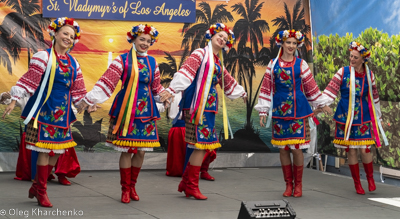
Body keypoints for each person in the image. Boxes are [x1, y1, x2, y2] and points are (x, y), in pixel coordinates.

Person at [2, 17, 89, 207]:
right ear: (55, 34)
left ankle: (35, 185)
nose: (68, 38)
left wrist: (87, 103)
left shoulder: (74, 63)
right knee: (44, 151)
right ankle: (41, 191)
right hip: (44, 110)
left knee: (57, 152)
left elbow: (79, 90)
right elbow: (29, 80)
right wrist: (14, 99)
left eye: (72, 36)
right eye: (65, 33)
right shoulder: (44, 56)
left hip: (63, 113)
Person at [79, 24, 169, 203]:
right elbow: (107, 83)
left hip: (146, 111)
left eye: (148, 41)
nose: (145, 43)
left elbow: (156, 87)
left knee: (141, 152)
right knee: (127, 150)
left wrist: (165, 95)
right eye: (141, 39)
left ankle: (133, 186)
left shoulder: (152, 63)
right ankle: (125, 189)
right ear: (133, 39)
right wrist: (89, 100)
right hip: (126, 110)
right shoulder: (122, 60)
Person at [161, 23, 247, 200]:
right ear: (212, 35)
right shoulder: (199, 54)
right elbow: (185, 73)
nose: (222, 39)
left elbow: (228, 81)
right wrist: (171, 90)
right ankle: (191, 185)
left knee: (199, 145)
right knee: (201, 144)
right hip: (196, 106)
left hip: (208, 108)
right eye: (220, 36)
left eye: (225, 39)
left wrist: (241, 92)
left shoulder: (217, 62)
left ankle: (187, 182)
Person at [255, 30, 332, 198]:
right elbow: (266, 88)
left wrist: (322, 104)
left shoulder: (301, 64)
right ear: (281, 43)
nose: (291, 46)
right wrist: (263, 110)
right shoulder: (272, 64)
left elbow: (311, 86)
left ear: (298, 45)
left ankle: (298, 185)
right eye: (288, 42)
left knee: (297, 149)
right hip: (279, 112)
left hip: (299, 110)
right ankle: (288, 185)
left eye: (294, 43)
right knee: (283, 149)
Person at [315, 41, 387, 195]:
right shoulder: (343, 72)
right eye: (351, 56)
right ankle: (357, 184)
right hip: (345, 116)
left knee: (365, 148)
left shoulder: (370, 75)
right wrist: (323, 105)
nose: (352, 59)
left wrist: (378, 117)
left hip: (363, 116)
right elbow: (331, 90)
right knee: (351, 150)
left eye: (355, 57)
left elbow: (374, 97)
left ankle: (370, 179)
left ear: (363, 59)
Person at [0, 92, 80, 185]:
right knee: (38, 151)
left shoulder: (56, 93)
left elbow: (72, 109)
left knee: (62, 149)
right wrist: (3, 97)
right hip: (34, 131)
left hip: (53, 129)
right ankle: (38, 179)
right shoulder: (27, 93)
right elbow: (11, 99)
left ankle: (61, 175)